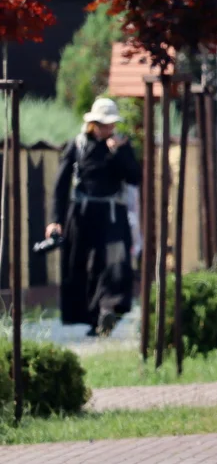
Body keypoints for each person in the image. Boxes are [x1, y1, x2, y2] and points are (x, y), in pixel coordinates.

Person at [47, 98, 141, 336]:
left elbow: (134, 177)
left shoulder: (121, 146)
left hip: (112, 217)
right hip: (81, 215)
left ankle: (108, 310)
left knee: (113, 265)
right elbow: (60, 186)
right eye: (104, 124)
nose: (108, 129)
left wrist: (118, 153)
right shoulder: (77, 145)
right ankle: (92, 319)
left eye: (111, 124)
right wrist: (54, 220)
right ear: (93, 124)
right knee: (80, 266)